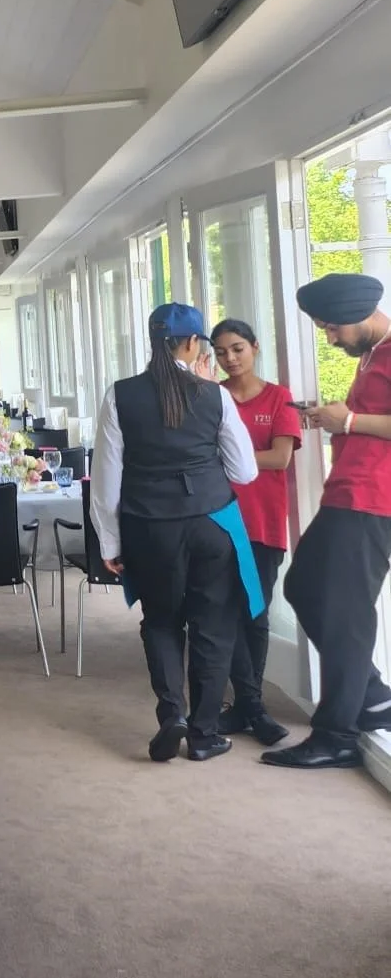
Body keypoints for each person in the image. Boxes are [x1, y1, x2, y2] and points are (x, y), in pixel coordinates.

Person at [90, 303, 261, 762]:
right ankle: (205, 733)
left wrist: (110, 543)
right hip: (210, 522)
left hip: (150, 528)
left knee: (162, 621)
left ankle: (173, 717)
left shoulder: (119, 395)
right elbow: (244, 471)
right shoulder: (214, 395)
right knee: (213, 626)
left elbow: (107, 481)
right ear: (193, 344)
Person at [266, 273, 391, 769]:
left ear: (362, 312)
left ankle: (337, 733)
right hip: (350, 492)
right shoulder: (373, 354)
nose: (330, 337)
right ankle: (375, 696)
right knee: (304, 587)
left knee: (346, 609)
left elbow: (368, 424)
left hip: (373, 499)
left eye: (332, 327)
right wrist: (336, 418)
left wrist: (351, 422)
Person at [209, 317, 300, 746]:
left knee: (255, 616)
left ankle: (248, 706)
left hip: (262, 524)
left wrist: (228, 454)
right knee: (224, 616)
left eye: (237, 348)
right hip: (216, 520)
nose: (230, 358)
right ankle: (252, 707)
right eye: (222, 351)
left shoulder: (279, 398)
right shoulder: (210, 397)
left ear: (255, 347)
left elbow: (280, 458)